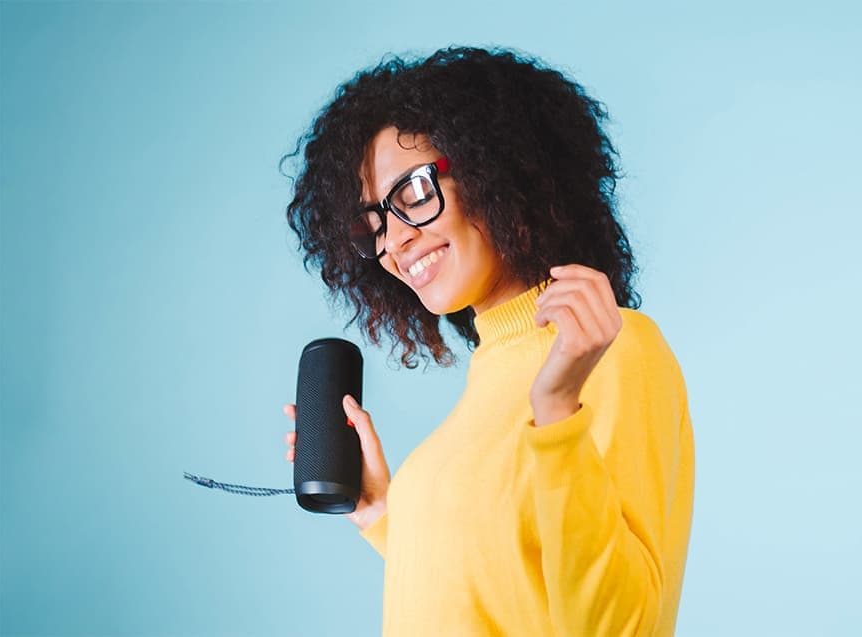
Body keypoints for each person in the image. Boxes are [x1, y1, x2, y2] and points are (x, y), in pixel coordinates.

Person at [278, 46, 695, 636]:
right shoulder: (492, 372)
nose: (394, 241)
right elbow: (497, 592)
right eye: (372, 224)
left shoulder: (616, 351)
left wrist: (556, 413)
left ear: (498, 167)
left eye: (415, 192)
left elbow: (619, 628)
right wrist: (382, 514)